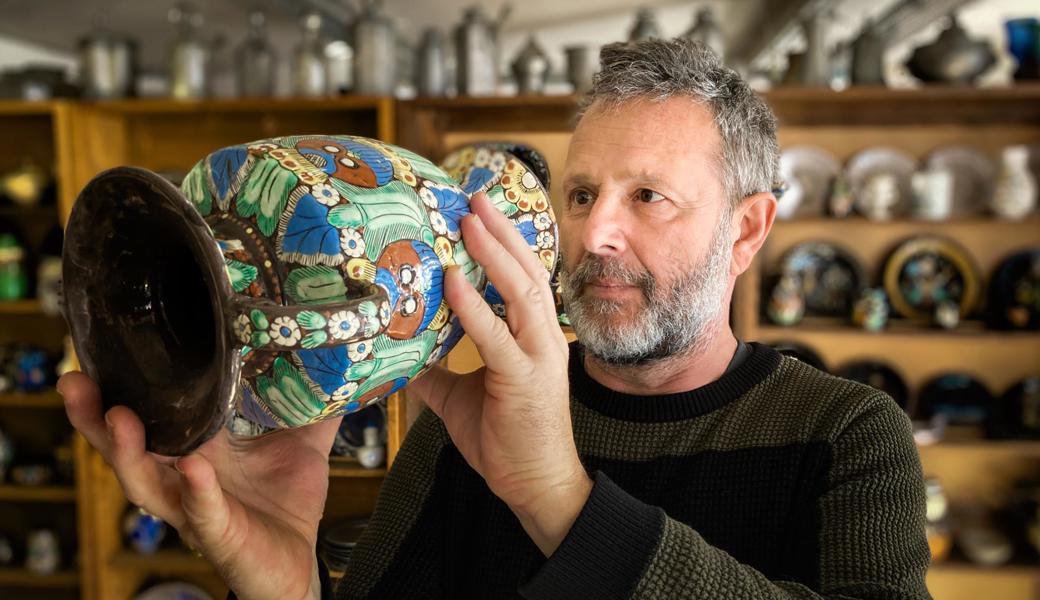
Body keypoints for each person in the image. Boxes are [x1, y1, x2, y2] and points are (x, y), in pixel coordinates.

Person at [59, 39, 931, 600]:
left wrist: (558, 496)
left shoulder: (848, 432)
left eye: (648, 197)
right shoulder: (461, 427)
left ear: (746, 229)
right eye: (582, 192)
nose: (595, 233)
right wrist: (281, 576)